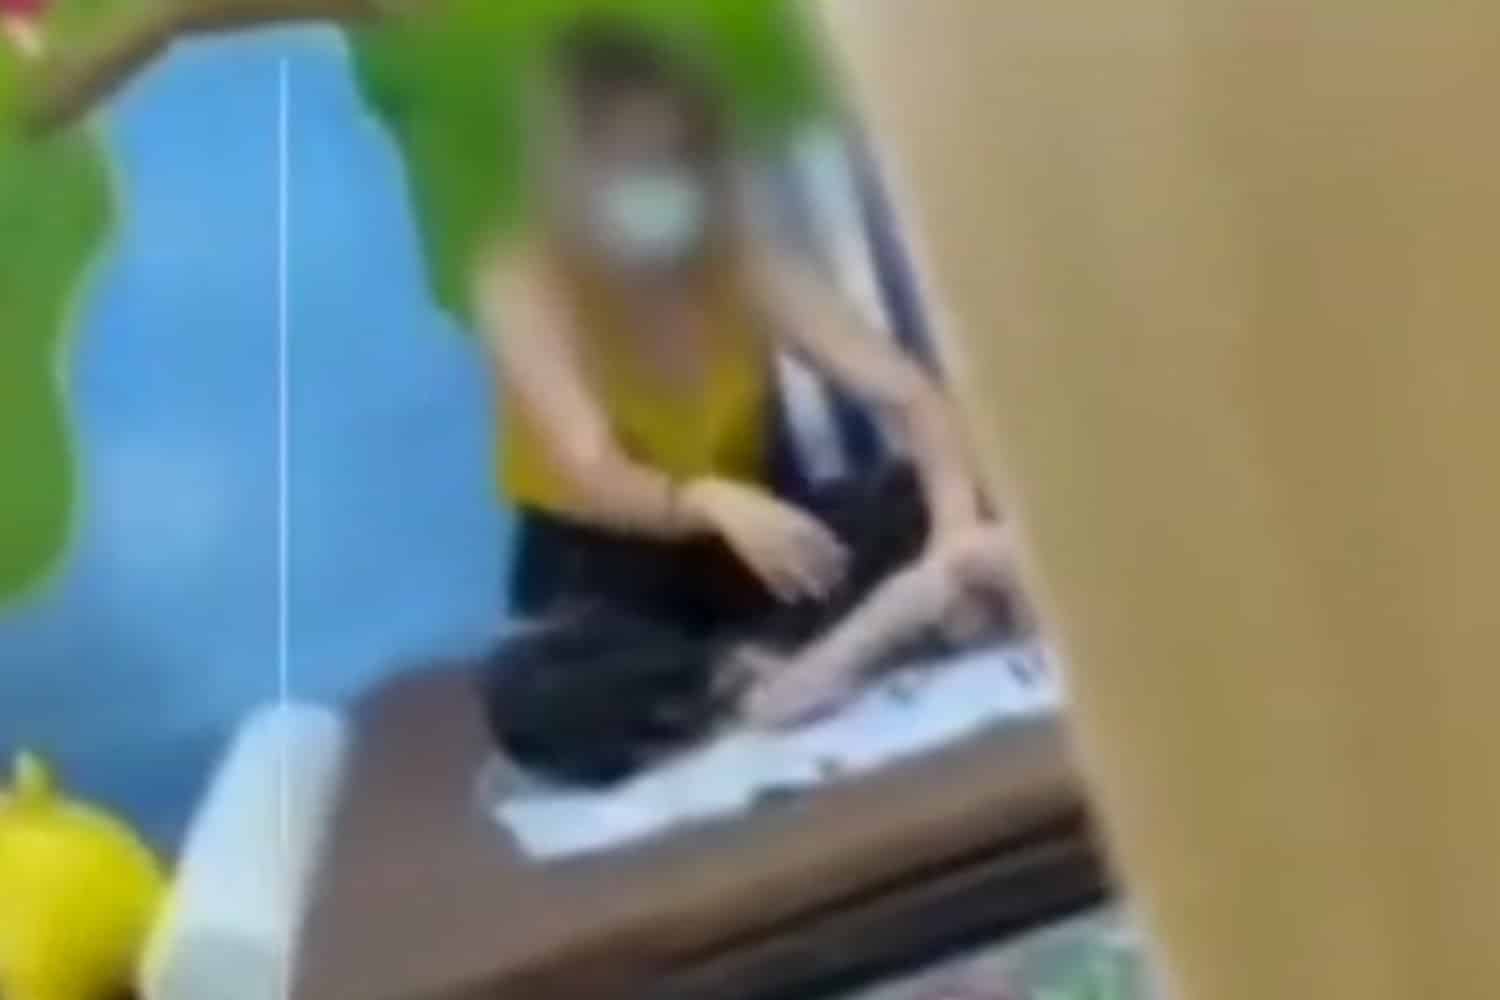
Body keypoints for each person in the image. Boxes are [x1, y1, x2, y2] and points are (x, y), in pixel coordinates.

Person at [476, 17, 1021, 783]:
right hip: (605, 571)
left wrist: (953, 533)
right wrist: (705, 501)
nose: (657, 183)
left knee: (939, 500)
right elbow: (589, 465)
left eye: (674, 158)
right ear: (577, 172)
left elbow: (910, 396)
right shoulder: (523, 278)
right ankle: (746, 675)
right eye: (629, 164)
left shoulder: (738, 260)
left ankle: (794, 656)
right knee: (530, 690)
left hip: (756, 550)